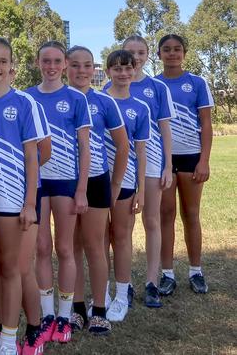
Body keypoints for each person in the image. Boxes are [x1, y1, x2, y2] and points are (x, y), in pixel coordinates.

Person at [0, 37, 49, 355]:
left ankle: (9, 337)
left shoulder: (25, 103)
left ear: (12, 67)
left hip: (15, 200)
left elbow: (36, 156)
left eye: (3, 61)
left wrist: (30, 202)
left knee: (12, 269)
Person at [26, 40, 92, 344]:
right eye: (46, 61)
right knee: (40, 249)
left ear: (64, 64)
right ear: (38, 63)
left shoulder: (76, 98)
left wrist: (82, 189)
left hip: (66, 182)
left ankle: (65, 316)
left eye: (56, 61)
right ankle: (46, 314)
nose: (51, 66)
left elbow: (84, 147)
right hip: (36, 183)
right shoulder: (27, 98)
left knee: (65, 249)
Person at [66, 46, 129, 335]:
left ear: (94, 69)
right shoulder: (55, 99)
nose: (81, 71)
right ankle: (77, 308)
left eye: (87, 66)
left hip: (96, 182)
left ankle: (100, 308)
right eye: (75, 65)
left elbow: (123, 145)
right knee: (71, 247)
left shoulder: (104, 102)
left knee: (94, 246)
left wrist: (115, 184)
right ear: (66, 67)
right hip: (65, 183)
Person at [156, 34, 214, 295]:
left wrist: (204, 160)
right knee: (165, 215)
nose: (172, 54)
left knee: (191, 214)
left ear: (184, 53)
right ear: (158, 54)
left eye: (177, 49)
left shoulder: (197, 83)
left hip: (191, 156)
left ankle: (195, 271)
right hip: (163, 160)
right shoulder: (153, 85)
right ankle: (167, 274)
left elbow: (206, 124)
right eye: (166, 50)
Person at [120, 35, 174, 308]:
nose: (136, 57)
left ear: (148, 54)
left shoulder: (158, 87)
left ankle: (152, 282)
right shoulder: (110, 86)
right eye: (131, 52)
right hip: (121, 165)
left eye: (141, 52)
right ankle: (124, 283)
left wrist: (168, 166)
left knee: (151, 221)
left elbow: (165, 128)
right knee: (123, 226)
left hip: (152, 163)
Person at [103, 50, 151, 322]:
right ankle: (104, 294)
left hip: (126, 183)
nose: (122, 73)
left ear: (134, 70)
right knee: (99, 240)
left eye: (127, 68)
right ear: (108, 71)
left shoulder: (140, 108)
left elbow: (141, 153)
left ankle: (122, 295)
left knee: (121, 237)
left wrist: (141, 190)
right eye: (117, 68)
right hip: (97, 181)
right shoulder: (96, 101)